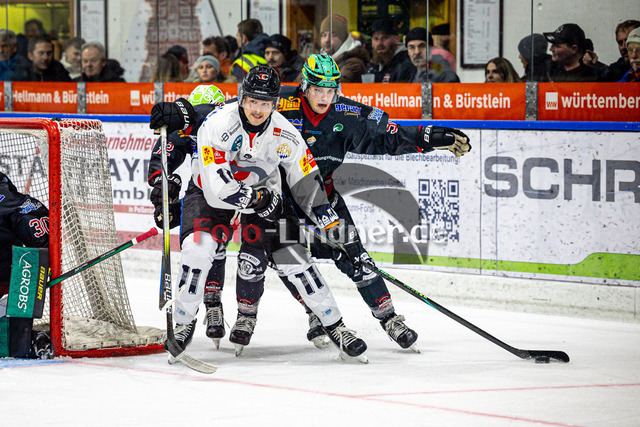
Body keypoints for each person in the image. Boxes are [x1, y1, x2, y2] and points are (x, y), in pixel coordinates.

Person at [148, 72, 369, 362]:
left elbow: (305, 178)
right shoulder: (219, 124)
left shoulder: (285, 133)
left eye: (265, 103)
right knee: (197, 252)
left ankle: (335, 324)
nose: (258, 109)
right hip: (209, 196)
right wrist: (258, 200)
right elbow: (219, 188)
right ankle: (183, 321)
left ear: (275, 104)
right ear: (242, 98)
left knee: (294, 257)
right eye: (253, 101)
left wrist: (327, 220)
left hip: (266, 195)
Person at [277, 54, 471, 350]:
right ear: (304, 86)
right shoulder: (278, 104)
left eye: (330, 90)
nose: (324, 97)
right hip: (281, 203)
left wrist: (426, 137)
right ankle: (316, 312)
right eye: (317, 89)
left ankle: (389, 318)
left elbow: (386, 137)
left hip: (323, 200)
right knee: (290, 262)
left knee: (357, 258)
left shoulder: (346, 113)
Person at [0, 172, 51, 359]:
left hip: (10, 278)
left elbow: (26, 211)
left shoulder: (7, 201)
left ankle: (25, 343)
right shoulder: (12, 198)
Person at [319, 14, 370, 83]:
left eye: (333, 35)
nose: (327, 40)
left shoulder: (353, 63)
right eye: (324, 35)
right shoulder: (322, 60)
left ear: (343, 39)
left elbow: (335, 84)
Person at [366, 18, 414, 83]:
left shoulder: (405, 65)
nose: (379, 43)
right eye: (376, 38)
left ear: (397, 39)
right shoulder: (374, 66)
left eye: (385, 38)